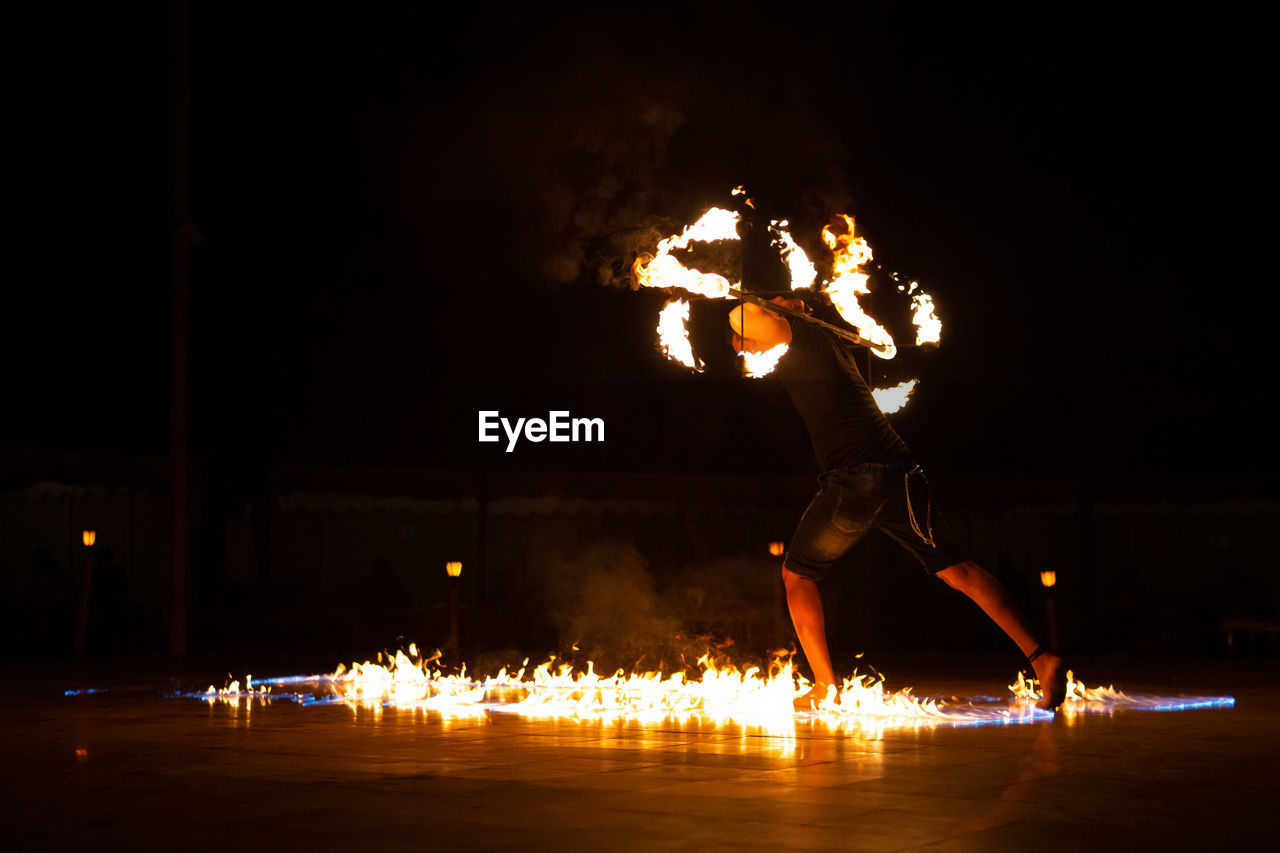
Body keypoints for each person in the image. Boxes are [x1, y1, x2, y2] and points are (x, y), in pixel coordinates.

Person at [729, 297, 1068, 712]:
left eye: (744, 344)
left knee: (798, 575)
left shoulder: (803, 337)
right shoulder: (819, 341)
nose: (747, 352)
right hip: (901, 474)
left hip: (858, 477)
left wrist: (776, 305)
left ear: (777, 322)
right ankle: (1043, 659)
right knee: (957, 569)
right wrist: (787, 306)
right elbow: (751, 320)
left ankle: (824, 686)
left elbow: (742, 314)